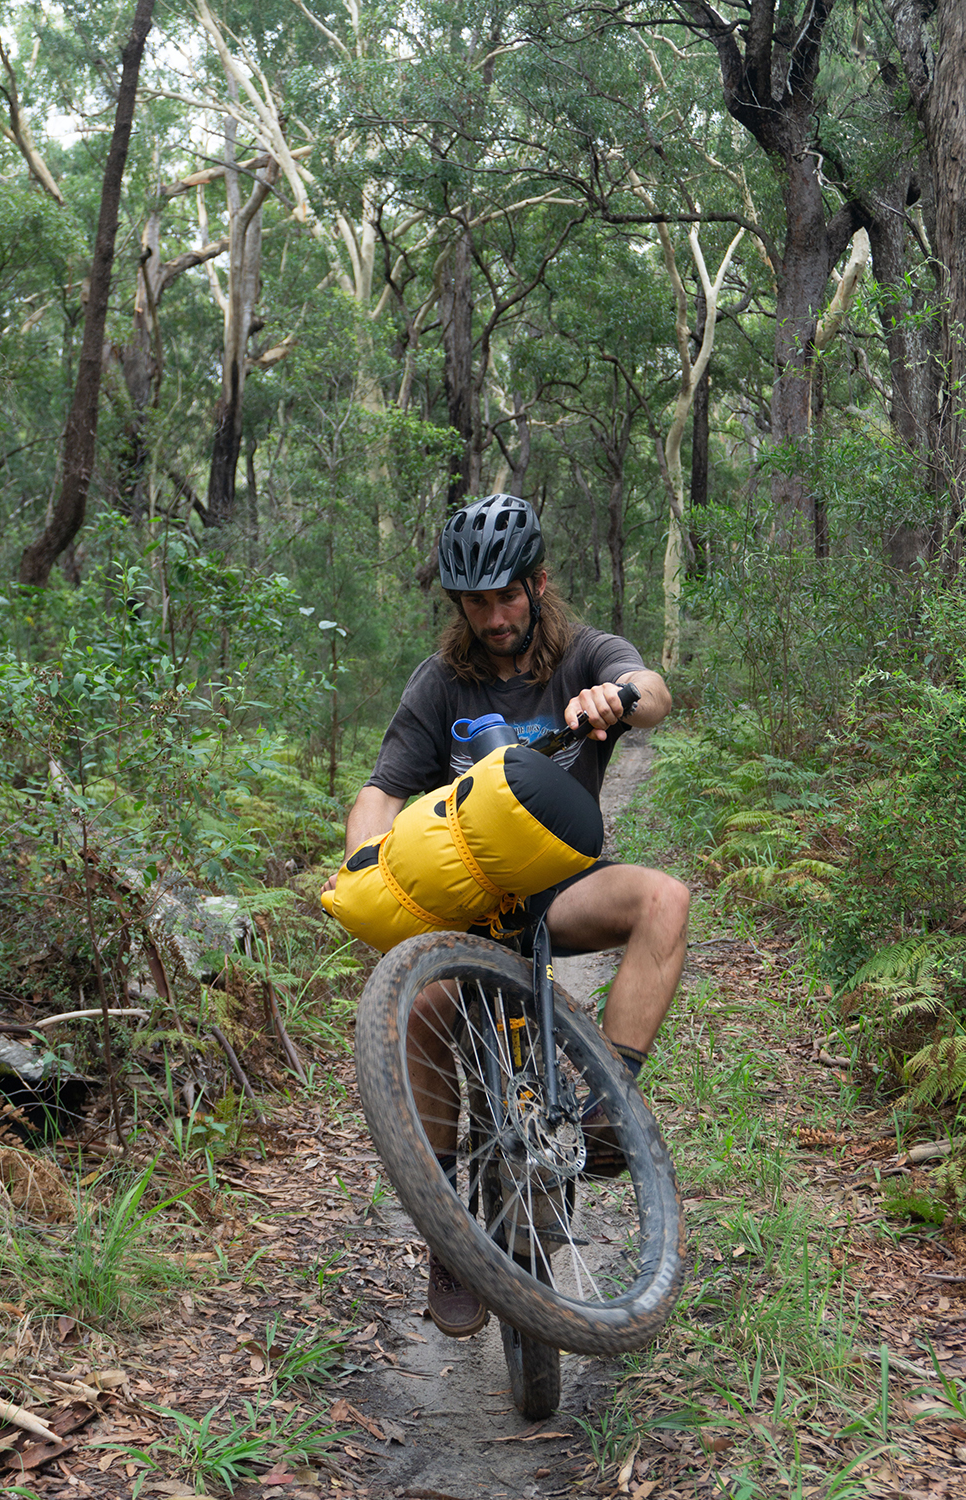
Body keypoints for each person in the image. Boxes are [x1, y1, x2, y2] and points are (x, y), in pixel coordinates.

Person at [330, 494, 690, 1339]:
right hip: (467, 902)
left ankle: (607, 1113)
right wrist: (362, 860)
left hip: (561, 889)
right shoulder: (439, 682)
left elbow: (654, 691)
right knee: (424, 1004)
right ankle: (449, 1231)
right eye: (475, 603)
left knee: (664, 899)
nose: (494, 617)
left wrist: (616, 699)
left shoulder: (585, 653)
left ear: (538, 585)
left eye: (507, 597)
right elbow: (382, 789)